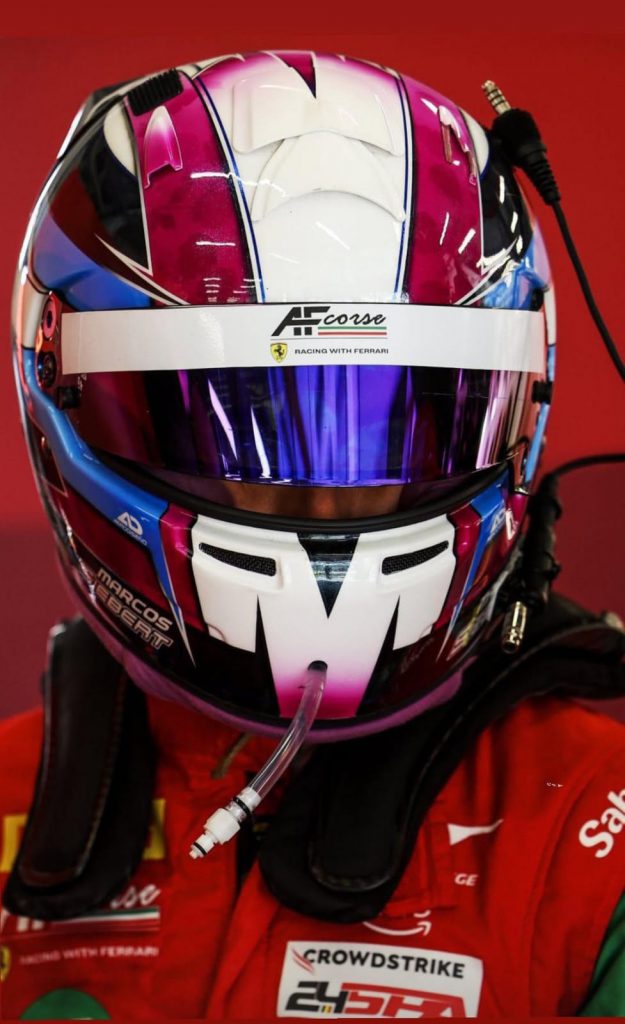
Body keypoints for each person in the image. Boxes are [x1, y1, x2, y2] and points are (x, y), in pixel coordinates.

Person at [1, 50, 624, 1019]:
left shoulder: (593, 822)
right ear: (67, 393)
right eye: (238, 432)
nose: (327, 506)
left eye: (408, 430)